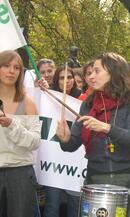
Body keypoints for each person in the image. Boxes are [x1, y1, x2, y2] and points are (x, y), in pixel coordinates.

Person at [55, 52, 130, 217]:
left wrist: (106, 128)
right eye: (90, 73)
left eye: (97, 71)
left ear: (113, 72)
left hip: (127, 181)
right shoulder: (88, 103)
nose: (91, 76)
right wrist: (65, 138)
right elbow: (72, 144)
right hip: (94, 180)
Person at [0, 50, 41, 217]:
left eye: (17, 68)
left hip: (20, 174)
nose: (11, 71)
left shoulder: (28, 103)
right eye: (6, 66)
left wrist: (11, 125)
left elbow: (35, 141)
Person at [43, 65, 81, 217]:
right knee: (52, 203)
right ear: (56, 80)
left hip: (76, 161)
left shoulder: (83, 99)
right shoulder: (49, 97)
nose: (66, 81)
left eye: (69, 77)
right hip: (54, 162)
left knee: (75, 204)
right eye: (62, 78)